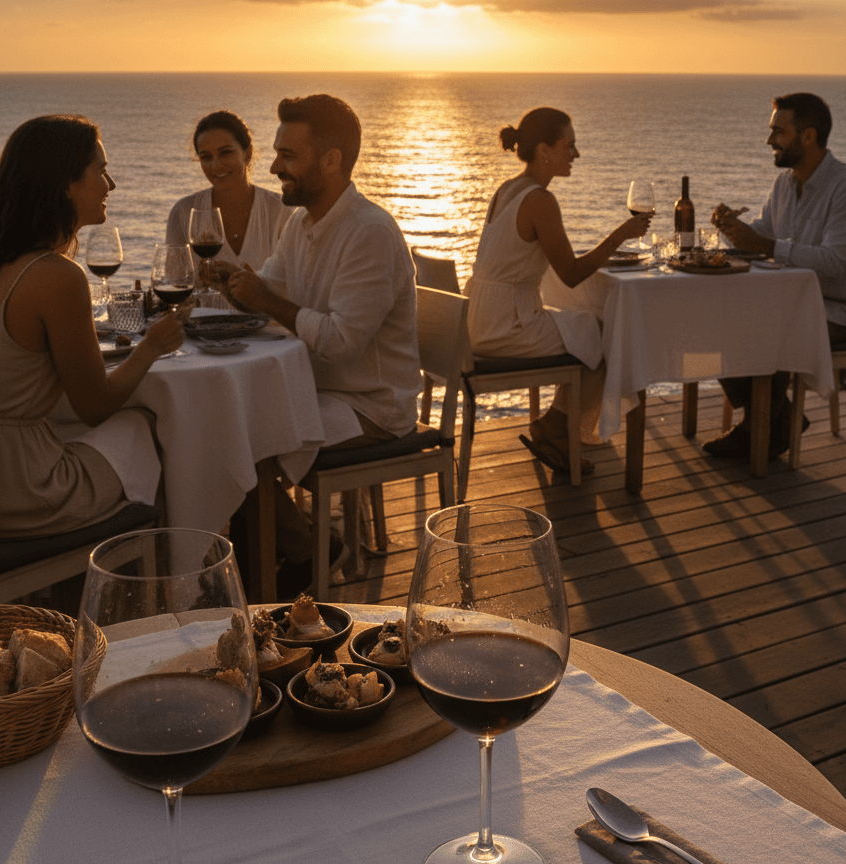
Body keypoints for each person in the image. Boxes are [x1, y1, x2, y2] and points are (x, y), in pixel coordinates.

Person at [204, 94, 422, 595]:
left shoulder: (369, 232)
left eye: (289, 155)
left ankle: (278, 573)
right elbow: (272, 289)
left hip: (372, 405)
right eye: (277, 152)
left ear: (331, 160)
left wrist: (265, 299)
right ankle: (301, 553)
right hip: (319, 390)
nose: (275, 165)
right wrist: (233, 284)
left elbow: (341, 342)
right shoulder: (301, 222)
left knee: (242, 440)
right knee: (227, 423)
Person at [0, 115, 184, 537]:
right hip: (14, 495)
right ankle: (170, 575)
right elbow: (95, 406)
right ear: (65, 184)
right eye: (100, 171)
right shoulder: (56, 276)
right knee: (149, 428)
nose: (111, 185)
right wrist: (152, 345)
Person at [465, 107, 651, 474]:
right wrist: (620, 235)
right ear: (544, 149)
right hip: (505, 325)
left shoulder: (508, 189)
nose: (576, 155)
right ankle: (554, 428)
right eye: (570, 146)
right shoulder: (540, 200)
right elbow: (569, 274)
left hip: (474, 316)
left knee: (584, 329)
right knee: (602, 334)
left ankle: (556, 427)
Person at [705, 91, 846, 459]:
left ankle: (759, 429)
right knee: (718, 316)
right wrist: (733, 229)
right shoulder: (784, 184)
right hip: (794, 301)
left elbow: (832, 262)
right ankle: (777, 415)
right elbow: (763, 233)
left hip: (842, 311)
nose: (769, 140)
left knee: (767, 327)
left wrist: (766, 244)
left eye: (777, 132)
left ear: (808, 136)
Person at [166, 110, 292, 300]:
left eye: (225, 153)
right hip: (203, 327)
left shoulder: (280, 211)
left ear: (247, 154)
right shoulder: (183, 212)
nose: (216, 166)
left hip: (270, 328)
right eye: (206, 157)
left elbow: (296, 290)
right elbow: (174, 287)